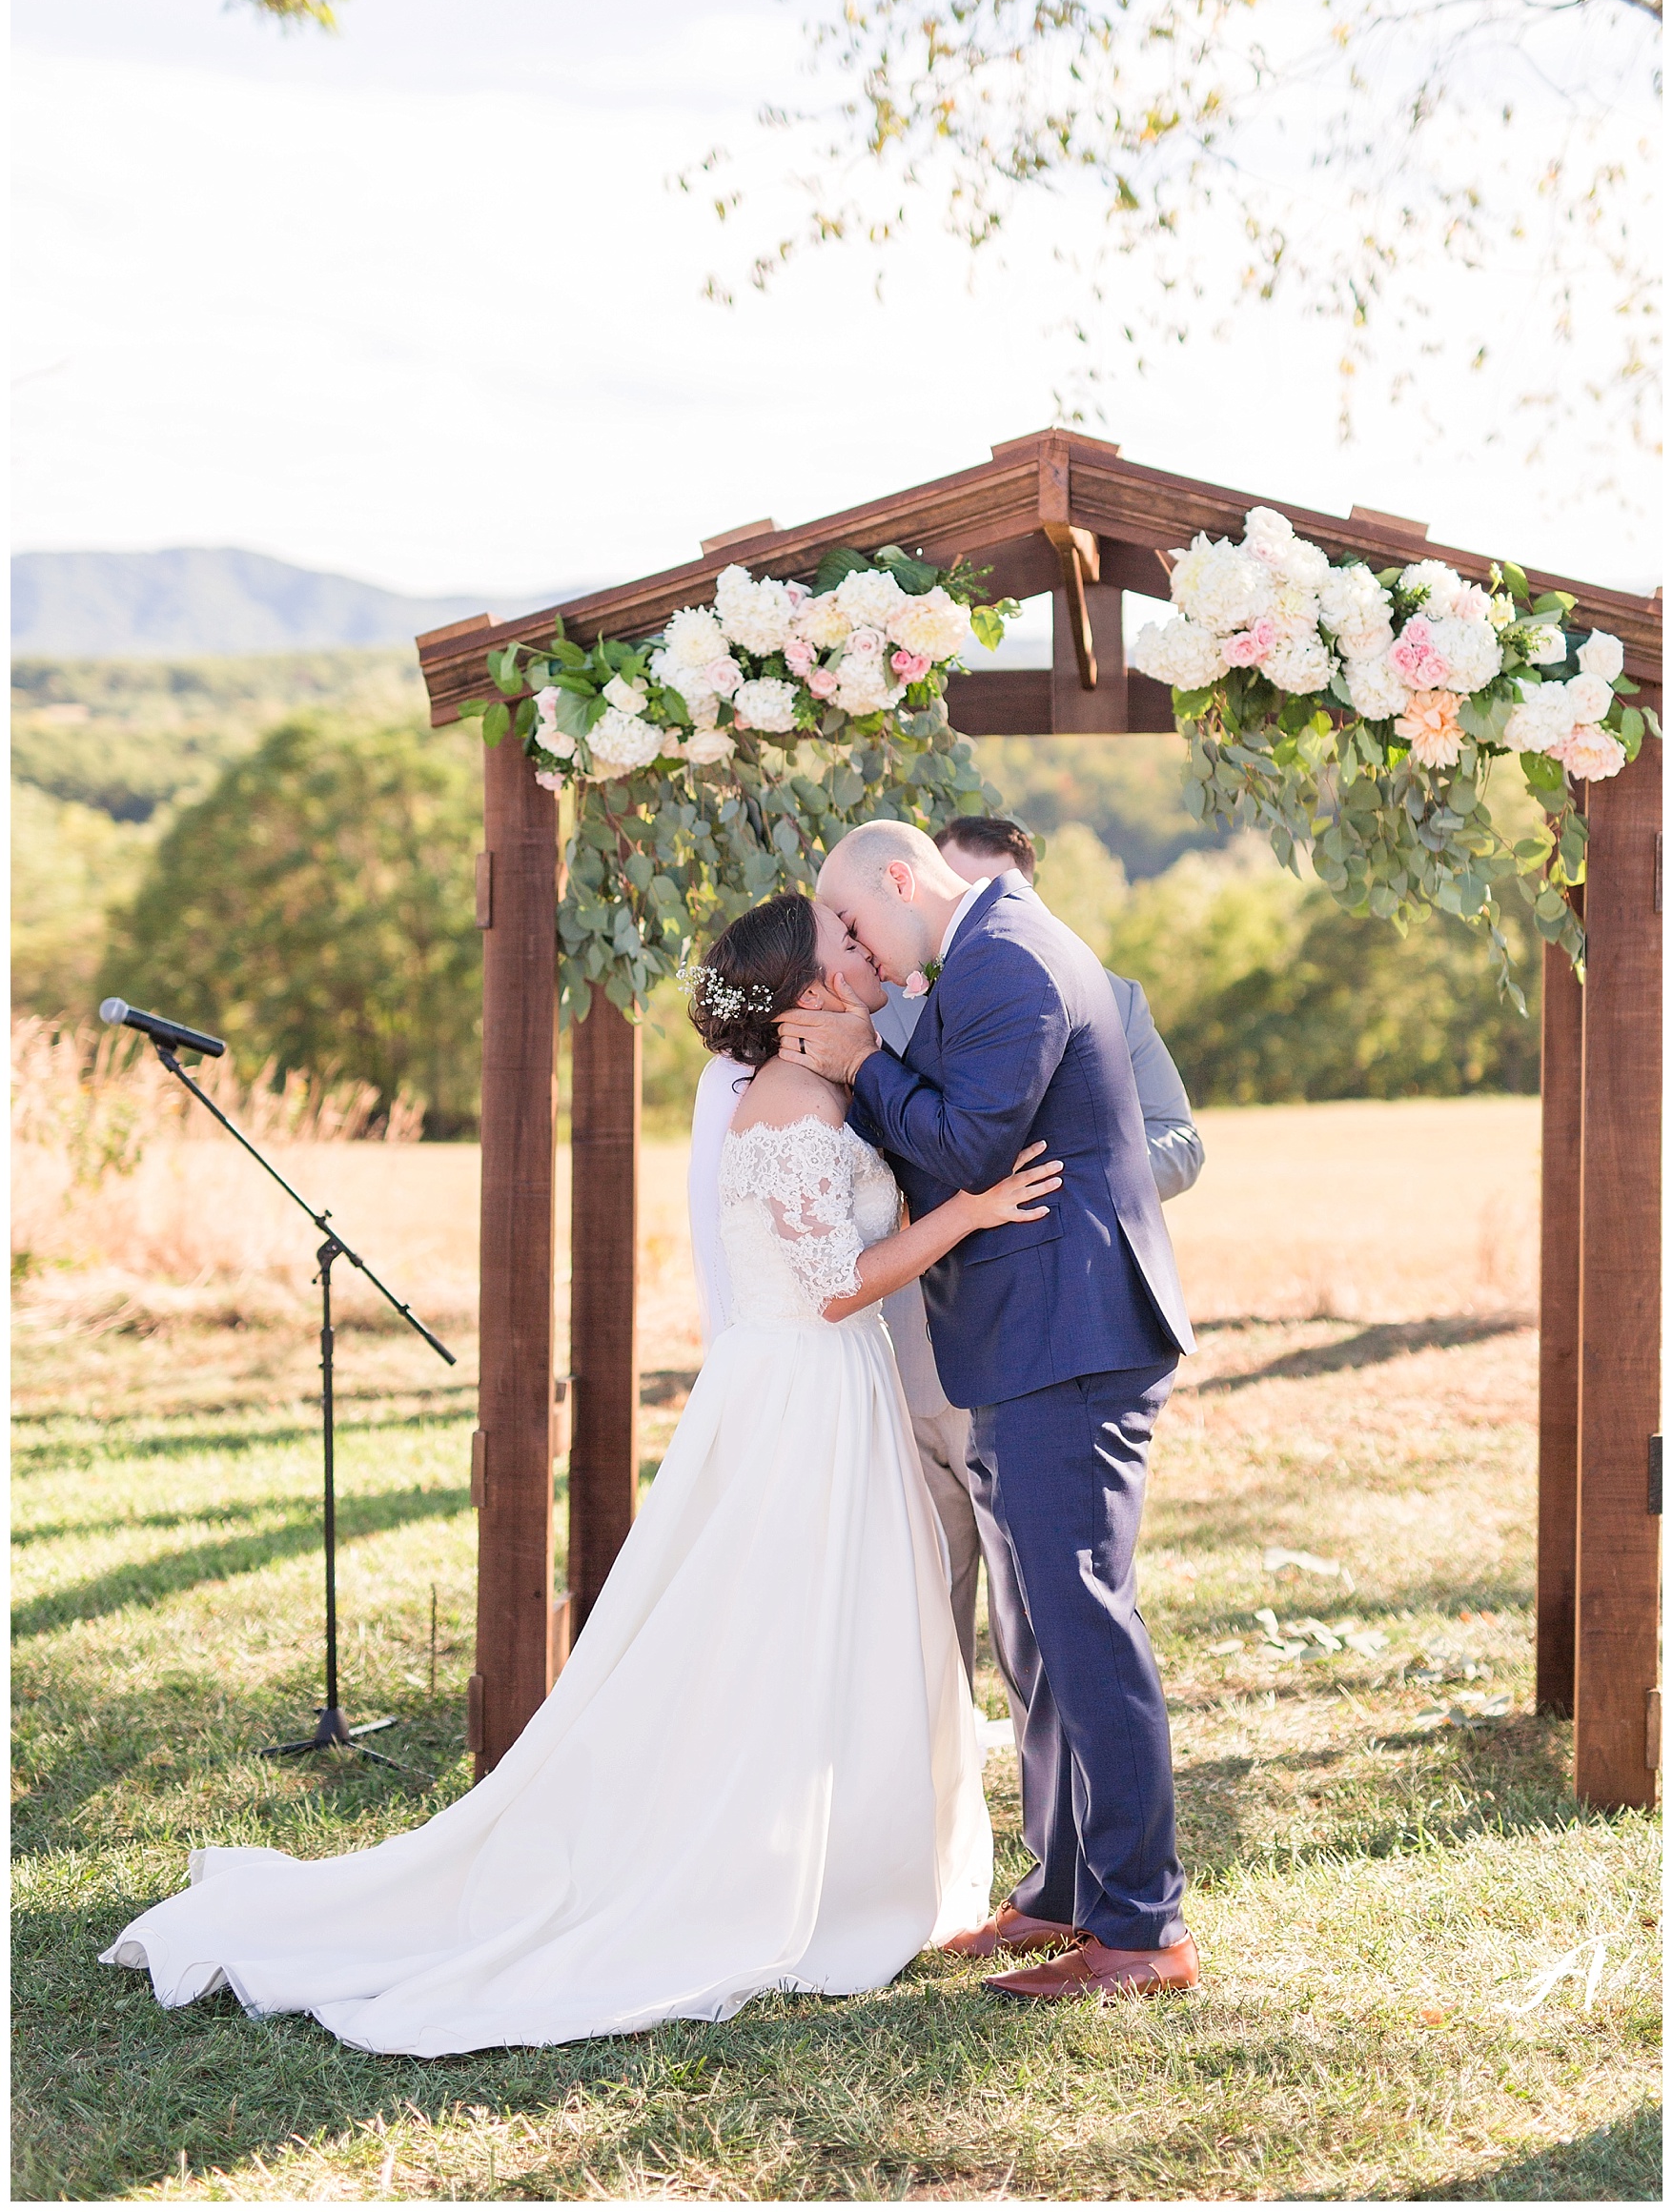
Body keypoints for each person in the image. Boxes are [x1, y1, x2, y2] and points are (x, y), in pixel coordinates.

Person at [101, 894, 1065, 2056]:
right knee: (784, 1628)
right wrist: (972, 1208)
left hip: (828, 1386)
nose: (867, 951)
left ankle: (857, 1858)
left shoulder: (834, 1085)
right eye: (845, 944)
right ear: (806, 991)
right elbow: (835, 1282)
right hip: (802, 1391)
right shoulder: (789, 1106)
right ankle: (778, 1875)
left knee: (848, 1623)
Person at [784, 821, 1200, 2005]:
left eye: (857, 924)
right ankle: (1068, 1889)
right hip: (1038, 1333)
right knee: (1045, 1627)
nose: (859, 949)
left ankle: (1143, 1930)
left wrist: (863, 1064)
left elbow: (969, 1146)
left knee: (1081, 1620)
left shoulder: (1010, 959)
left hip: (1071, 1334)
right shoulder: (988, 951)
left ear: (901, 879)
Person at [873, 814, 1202, 1725]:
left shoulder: (1097, 988)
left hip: (1042, 1324)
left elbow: (1176, 1139)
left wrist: (1067, 1173)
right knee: (914, 1603)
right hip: (906, 1340)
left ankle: (1053, 1840)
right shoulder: (880, 1001)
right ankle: (931, 1815)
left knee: (1041, 1615)